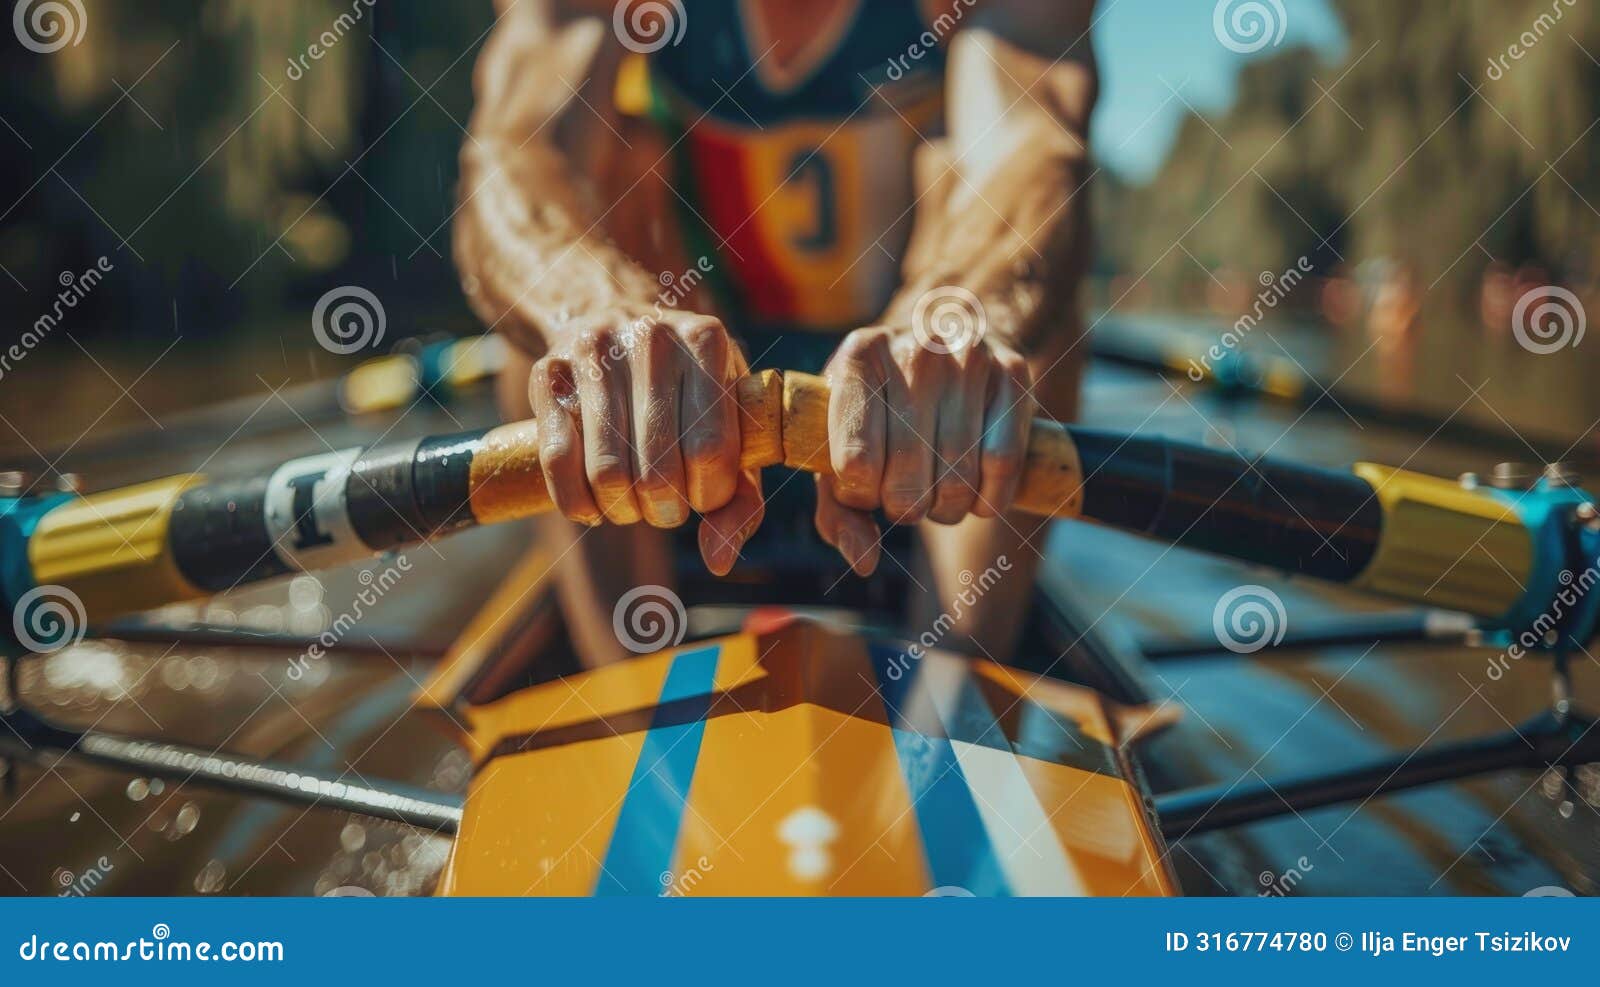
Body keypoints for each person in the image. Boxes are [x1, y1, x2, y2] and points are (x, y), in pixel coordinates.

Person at [455, 0, 1097, 666]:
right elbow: (514, 152)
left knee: (1023, 273)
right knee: (560, 288)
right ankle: (634, 685)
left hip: (912, 411)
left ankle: (953, 683)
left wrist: (956, 320)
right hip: (688, 408)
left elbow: (1029, 150)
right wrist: (597, 312)